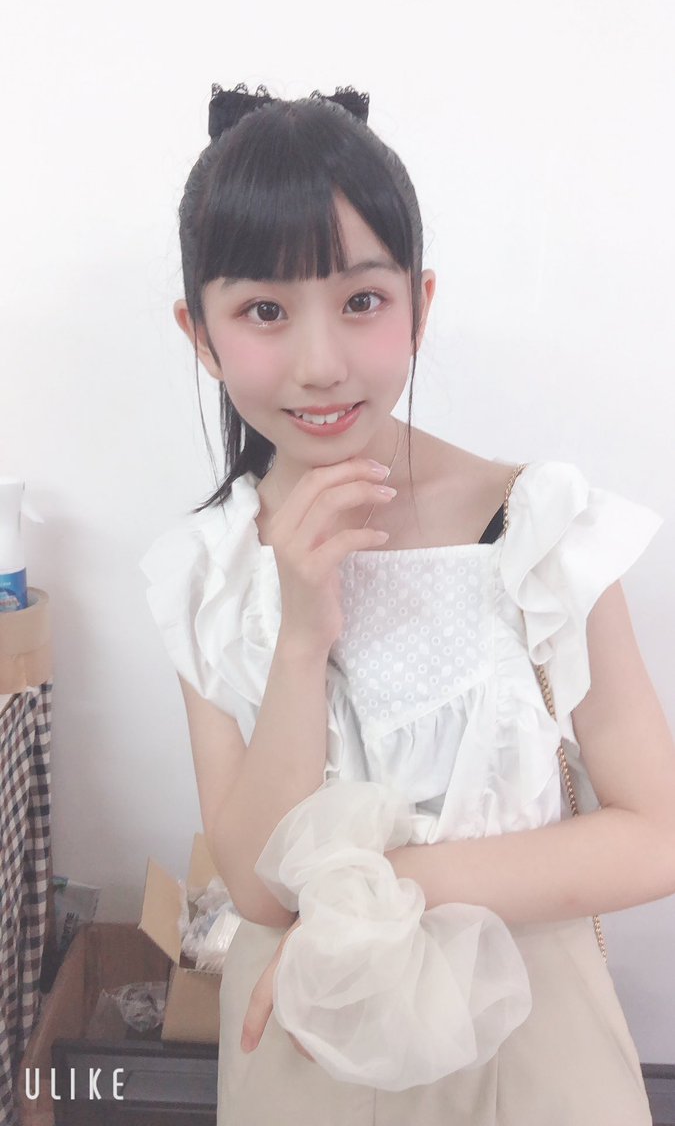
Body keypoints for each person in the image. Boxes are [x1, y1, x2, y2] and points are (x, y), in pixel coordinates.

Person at [139, 83, 672, 1124]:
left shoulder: (538, 525)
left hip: (531, 1045)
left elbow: (655, 831)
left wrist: (382, 890)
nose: (321, 362)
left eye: (361, 301)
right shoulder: (205, 574)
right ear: (199, 333)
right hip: (306, 1056)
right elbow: (258, 888)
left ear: (419, 304)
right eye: (263, 311)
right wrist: (302, 636)